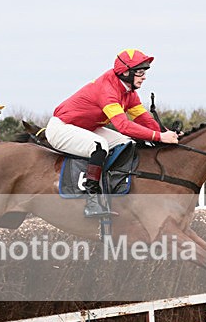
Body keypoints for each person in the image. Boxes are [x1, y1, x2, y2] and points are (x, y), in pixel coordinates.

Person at [46, 49, 179, 217]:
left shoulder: (129, 92)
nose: (144, 76)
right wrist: (159, 137)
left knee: (126, 143)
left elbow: (144, 119)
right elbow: (123, 125)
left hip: (86, 127)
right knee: (99, 146)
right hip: (62, 128)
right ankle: (92, 201)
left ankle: (113, 187)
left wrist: (166, 133)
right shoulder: (108, 90)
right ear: (125, 72)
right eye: (139, 71)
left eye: (145, 71)